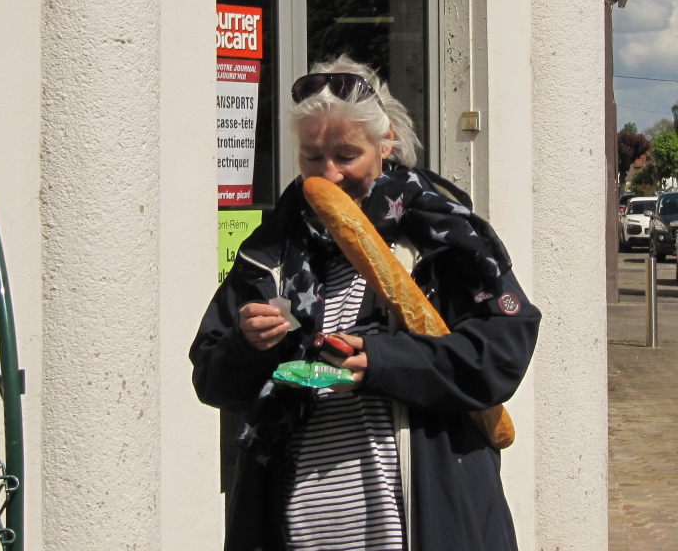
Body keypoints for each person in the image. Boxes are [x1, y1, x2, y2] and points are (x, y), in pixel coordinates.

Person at [190, 55, 540, 551]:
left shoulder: (443, 239)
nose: (329, 174)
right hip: (292, 531)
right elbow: (210, 377)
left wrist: (383, 362)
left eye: (346, 154)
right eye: (312, 156)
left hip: (423, 525)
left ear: (385, 143)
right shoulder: (270, 253)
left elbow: (500, 354)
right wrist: (248, 344)